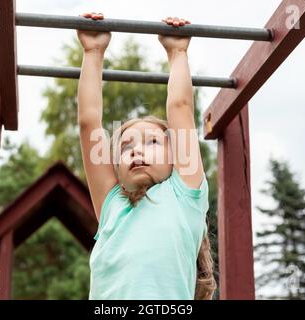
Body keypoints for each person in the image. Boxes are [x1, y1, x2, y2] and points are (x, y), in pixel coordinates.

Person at [76, 12, 216, 299]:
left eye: (152, 141)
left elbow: (179, 106)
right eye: (125, 147)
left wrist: (177, 52)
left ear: (177, 155)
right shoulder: (113, 204)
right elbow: (89, 123)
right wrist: (93, 52)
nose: (136, 150)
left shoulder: (184, 194)